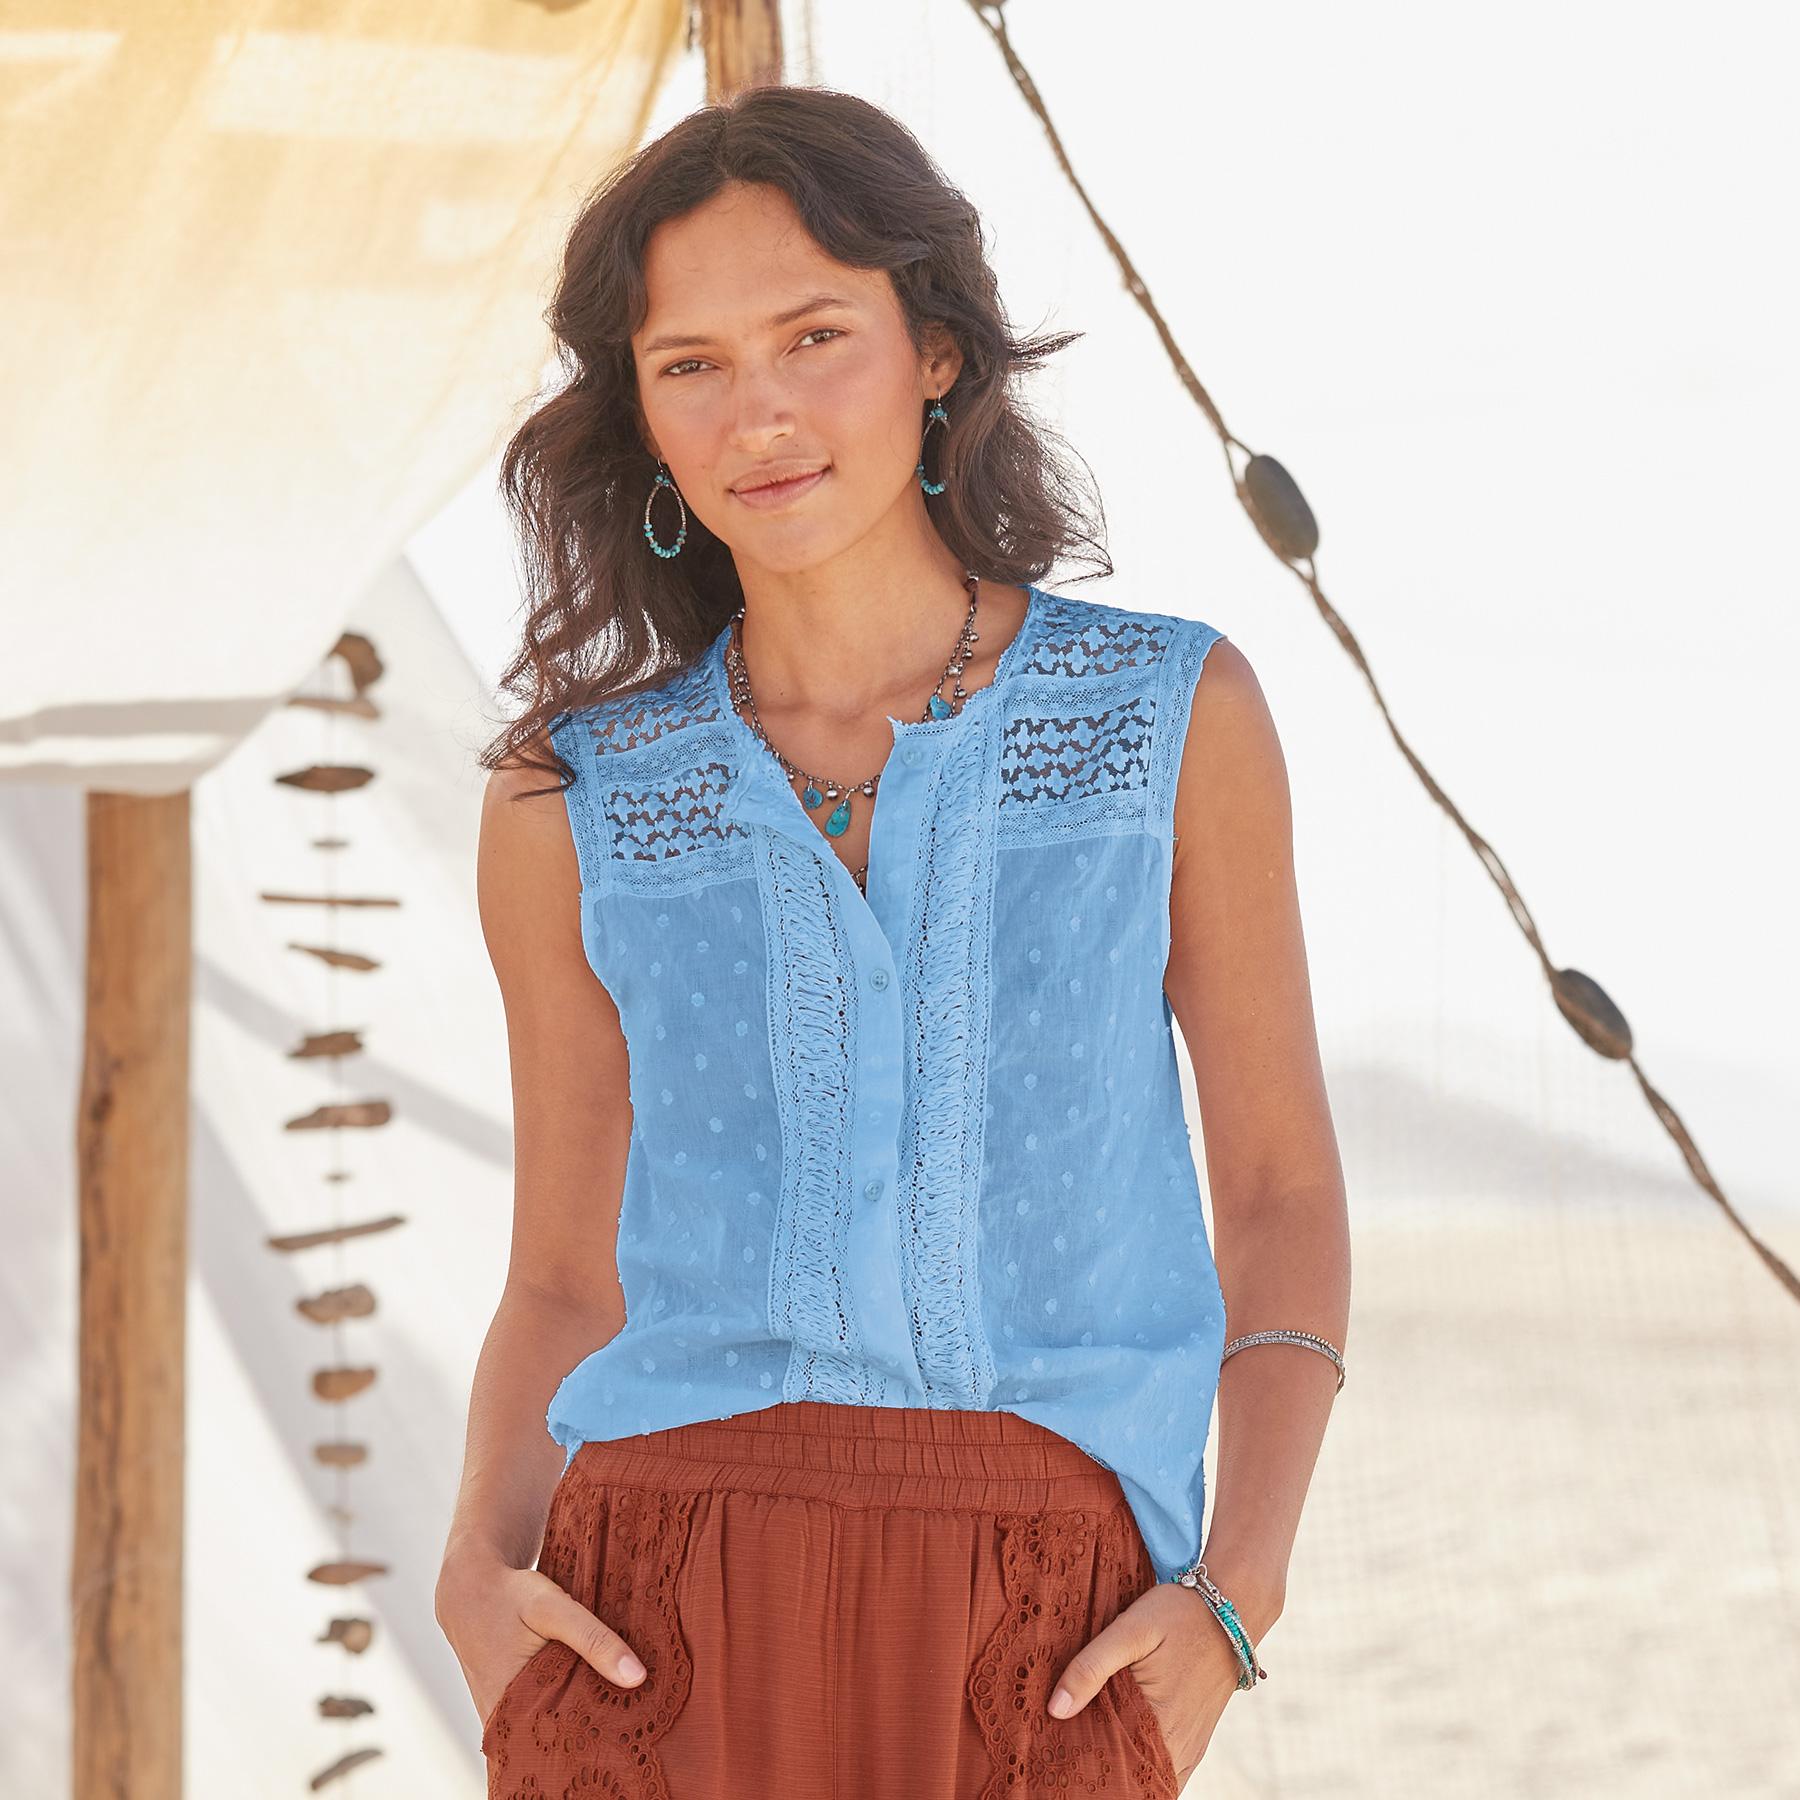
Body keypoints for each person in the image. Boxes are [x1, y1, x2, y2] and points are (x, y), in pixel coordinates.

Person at [434, 83, 1350, 1800]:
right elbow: (562, 1269)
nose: (759, 413)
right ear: (641, 413)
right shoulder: (573, 794)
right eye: (691, 364)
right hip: (650, 1618)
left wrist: (1242, 1587)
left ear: (935, 347)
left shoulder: (1167, 718)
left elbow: (1283, 1191)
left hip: (1048, 1626)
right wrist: (478, 1565)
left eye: (813, 336)